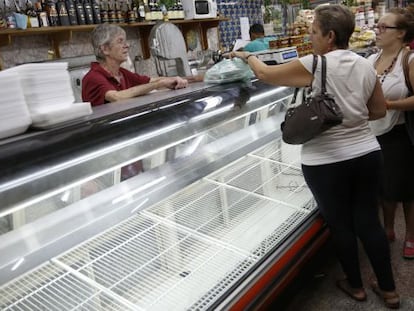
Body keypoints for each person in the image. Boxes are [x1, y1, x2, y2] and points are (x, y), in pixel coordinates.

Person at [228, 4, 400, 309]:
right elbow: (378, 110)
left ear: (330, 36)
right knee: (368, 222)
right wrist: (351, 115)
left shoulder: (314, 64)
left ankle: (356, 287)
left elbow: (265, 74)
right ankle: (389, 291)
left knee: (341, 224)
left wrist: (246, 55)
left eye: (313, 32)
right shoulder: (365, 64)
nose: (311, 38)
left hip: (326, 161)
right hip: (366, 153)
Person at [368, 7, 414, 260]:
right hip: (373, 134)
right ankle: (387, 229)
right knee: (384, 187)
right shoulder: (371, 60)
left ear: (401, 33)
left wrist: (390, 105)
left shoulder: (409, 60)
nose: (378, 30)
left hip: (401, 135)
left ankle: (411, 235)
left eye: (384, 27)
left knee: (407, 189)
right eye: (378, 25)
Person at [82, 23, 188, 106]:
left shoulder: (122, 73)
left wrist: (175, 79)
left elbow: (150, 80)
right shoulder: (93, 77)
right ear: (105, 49)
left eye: (125, 41)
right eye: (120, 42)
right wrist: (159, 84)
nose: (126, 45)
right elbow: (116, 97)